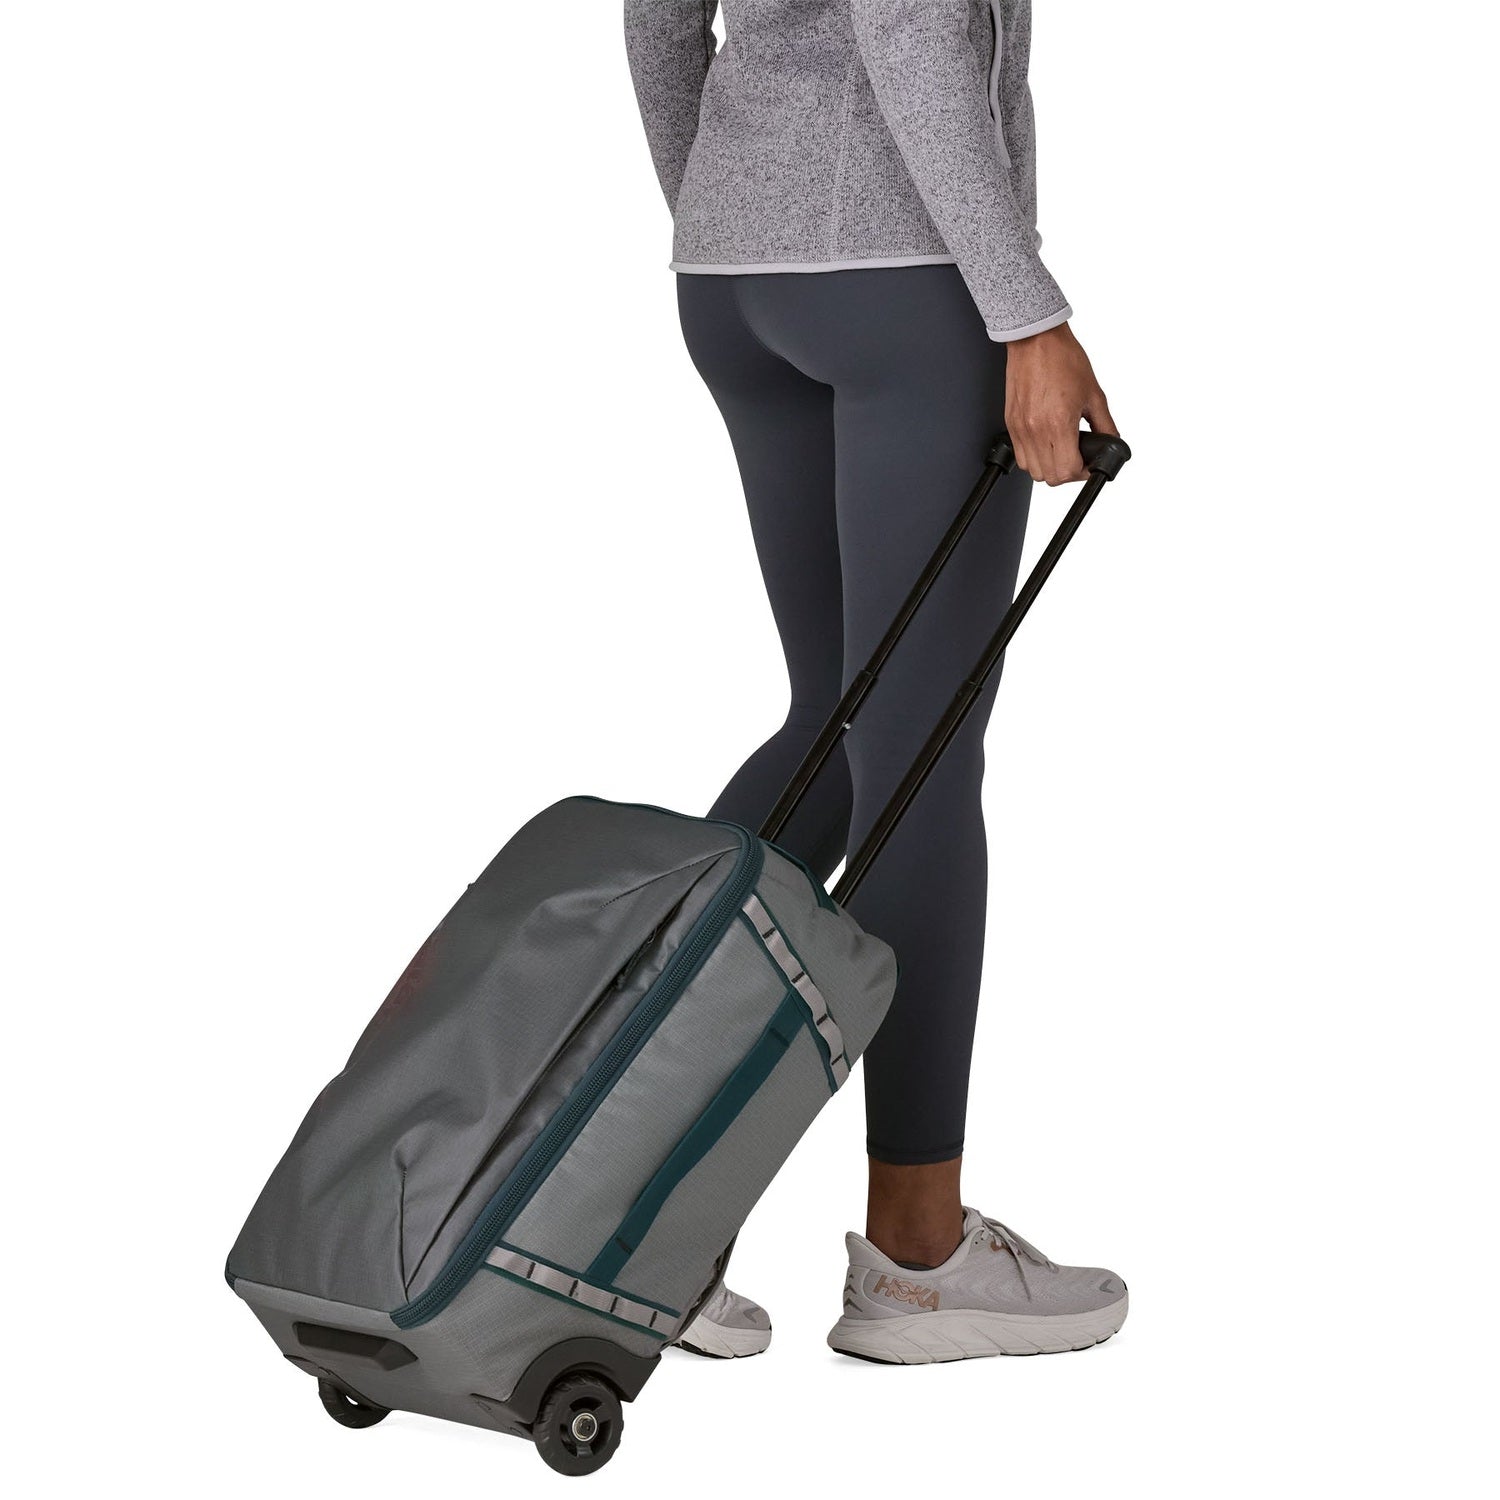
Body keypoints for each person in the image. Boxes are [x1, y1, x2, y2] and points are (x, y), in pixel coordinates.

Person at [624, 0, 1127, 1365]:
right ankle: (919, 1254)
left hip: (736, 282)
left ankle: (627, 1206)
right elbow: (907, 24)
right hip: (906, 278)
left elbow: (660, 18)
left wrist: (736, 202)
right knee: (917, 754)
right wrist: (1027, 309)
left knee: (838, 729)